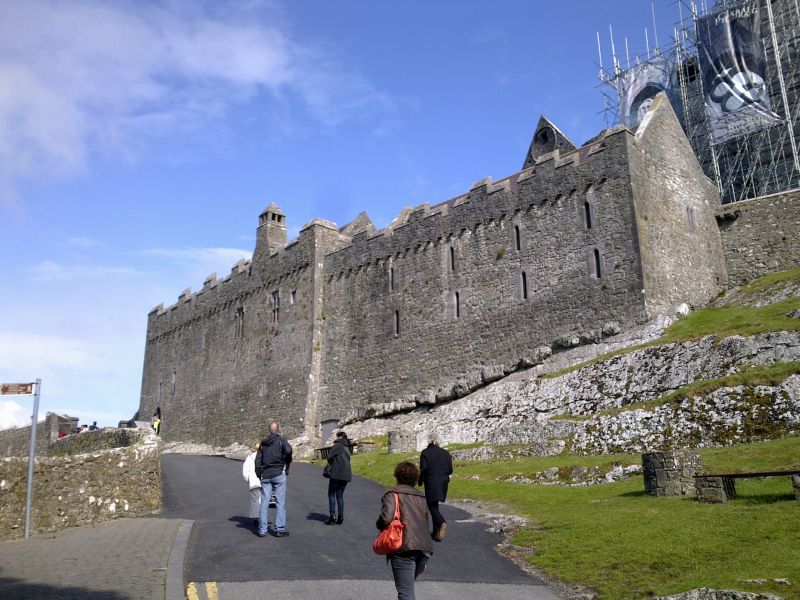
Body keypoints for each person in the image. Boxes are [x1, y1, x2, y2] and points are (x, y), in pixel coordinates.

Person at [377, 461, 433, 600]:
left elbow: (386, 518)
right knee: (407, 588)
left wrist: (379, 525)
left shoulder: (392, 494)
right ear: (415, 478)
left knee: (406, 593)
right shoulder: (421, 496)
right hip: (424, 548)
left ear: (397, 476)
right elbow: (426, 521)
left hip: (404, 547)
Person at [255, 421, 292, 537]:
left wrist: (259, 474)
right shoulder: (281, 440)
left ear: (269, 430)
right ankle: (279, 529)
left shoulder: (263, 443)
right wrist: (287, 462)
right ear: (278, 429)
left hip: (266, 475)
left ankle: (262, 530)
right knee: (280, 502)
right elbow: (289, 450)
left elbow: (257, 461)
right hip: (278, 473)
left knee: (264, 503)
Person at [418, 433, 453, 542]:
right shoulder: (446, 453)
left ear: (429, 441)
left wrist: (420, 481)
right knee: (435, 505)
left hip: (431, 481)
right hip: (443, 482)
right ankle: (435, 532)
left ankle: (441, 522)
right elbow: (450, 469)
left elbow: (424, 469)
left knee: (431, 505)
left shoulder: (425, 453)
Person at [325, 431, 352, 525]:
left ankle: (332, 516)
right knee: (340, 496)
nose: (335, 438)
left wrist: (332, 462)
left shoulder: (337, 445)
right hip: (346, 474)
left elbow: (329, 457)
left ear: (340, 437)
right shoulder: (347, 447)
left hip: (336, 473)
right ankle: (341, 516)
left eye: (336, 436)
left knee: (331, 494)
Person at [242, 441, 261, 526]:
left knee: (255, 500)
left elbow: (245, 471)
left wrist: (247, 479)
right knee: (263, 499)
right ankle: (263, 516)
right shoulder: (263, 456)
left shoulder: (249, 458)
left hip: (254, 482)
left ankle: (256, 517)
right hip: (263, 481)